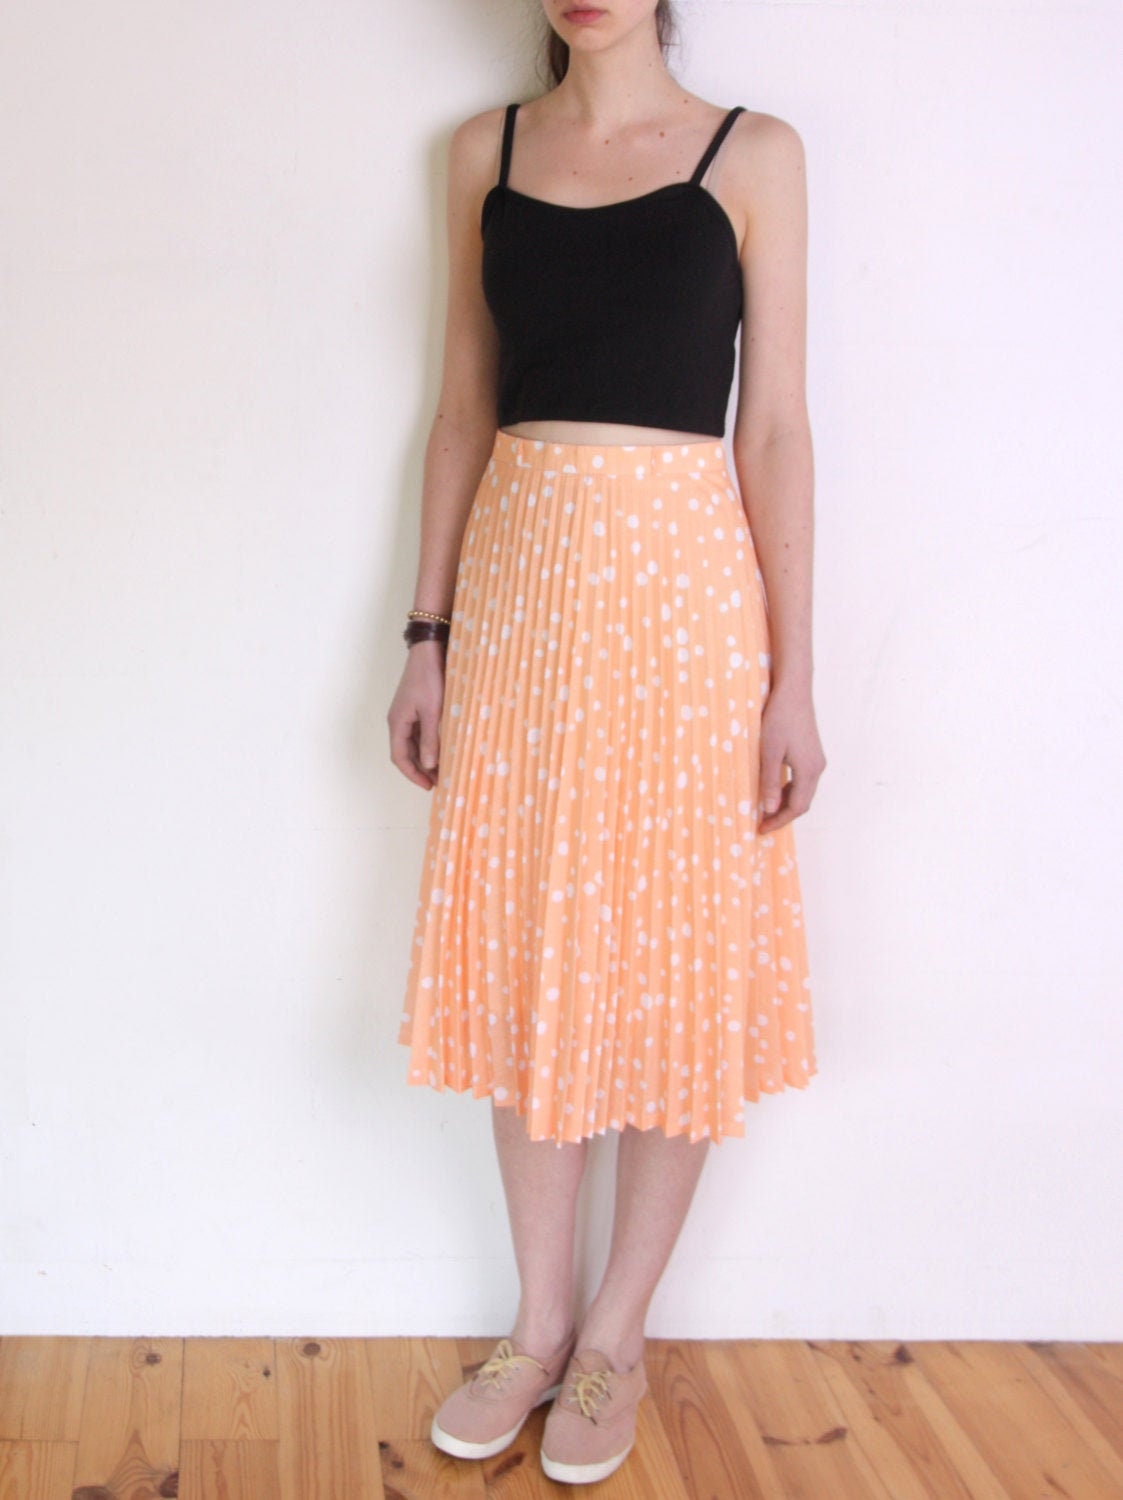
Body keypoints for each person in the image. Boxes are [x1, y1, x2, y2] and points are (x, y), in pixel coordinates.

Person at [387, 0, 826, 1484]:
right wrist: (426, 635)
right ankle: (539, 1326)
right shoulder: (485, 150)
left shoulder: (754, 155)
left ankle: (616, 1340)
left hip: (689, 608)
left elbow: (776, 428)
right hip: (520, 596)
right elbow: (461, 410)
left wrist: (794, 682)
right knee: (529, 942)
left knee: (673, 952)